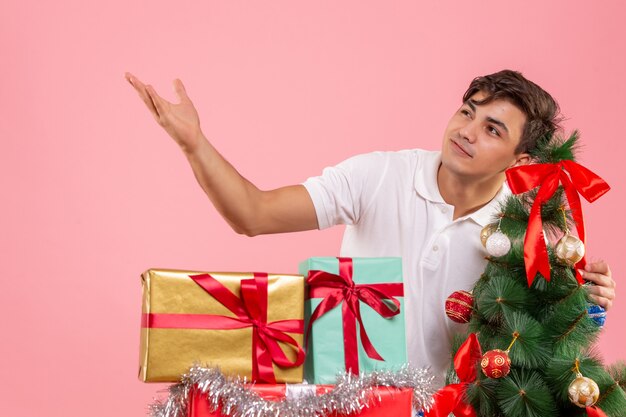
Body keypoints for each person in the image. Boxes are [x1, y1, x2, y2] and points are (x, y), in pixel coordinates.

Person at [125, 69, 616, 384]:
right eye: (467, 111)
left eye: (492, 129)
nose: (466, 131)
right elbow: (252, 214)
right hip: (345, 401)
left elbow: (549, 347)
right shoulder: (378, 175)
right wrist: (193, 143)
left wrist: (590, 302)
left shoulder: (531, 234)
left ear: (522, 161)